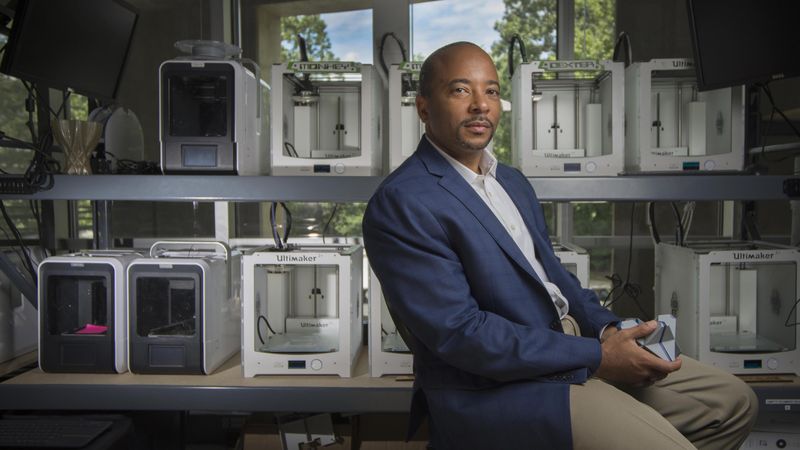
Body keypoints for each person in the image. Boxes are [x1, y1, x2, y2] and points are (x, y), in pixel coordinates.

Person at [362, 41, 757, 450]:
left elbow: (552, 275)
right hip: (498, 387)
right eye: (461, 90)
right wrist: (598, 356)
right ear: (424, 108)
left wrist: (610, 330)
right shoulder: (402, 202)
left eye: (492, 91)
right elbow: (464, 335)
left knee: (732, 402)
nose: (481, 105)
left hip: (572, 349)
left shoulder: (511, 181)